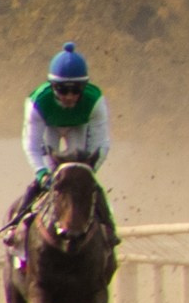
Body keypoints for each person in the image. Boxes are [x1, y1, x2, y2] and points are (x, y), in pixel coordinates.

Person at [11, 41, 118, 241]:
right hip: (49, 129)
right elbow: (32, 145)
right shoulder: (38, 102)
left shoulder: (95, 101)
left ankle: (110, 230)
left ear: (84, 87)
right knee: (51, 173)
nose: (69, 96)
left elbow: (101, 145)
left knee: (81, 179)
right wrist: (42, 174)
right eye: (62, 90)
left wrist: (86, 172)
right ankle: (16, 227)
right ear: (52, 87)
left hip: (79, 127)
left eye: (76, 90)